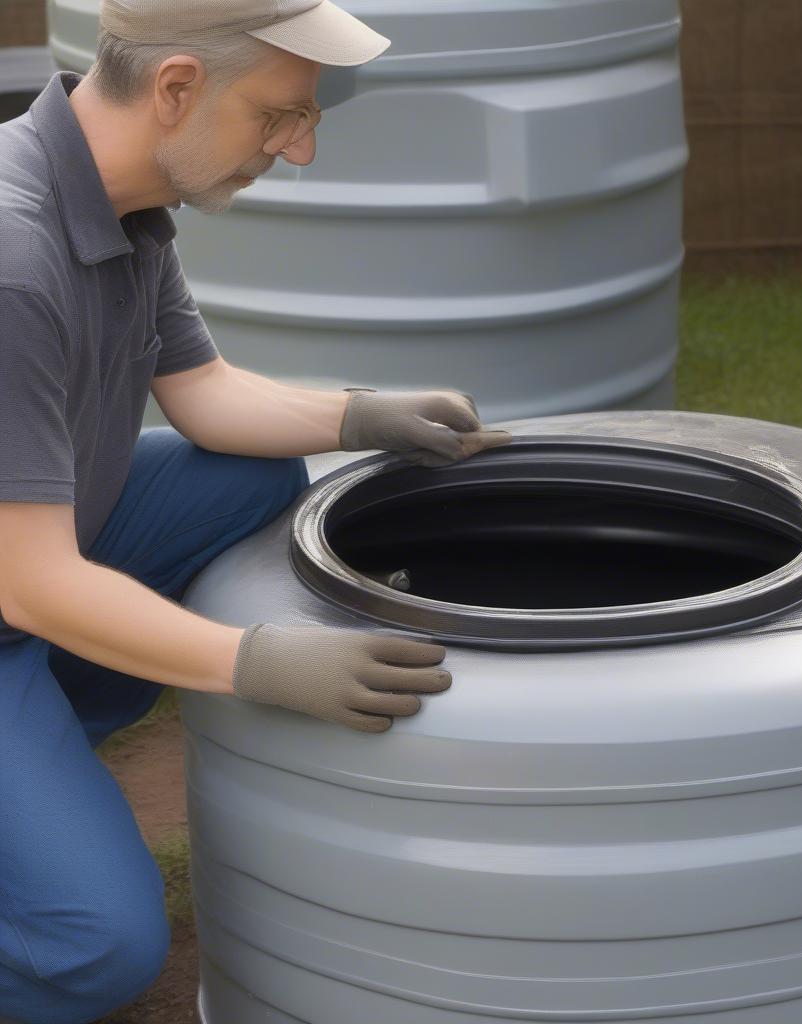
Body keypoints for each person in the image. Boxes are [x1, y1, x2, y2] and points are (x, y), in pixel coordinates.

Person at [0, 1, 512, 1020]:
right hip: (19, 582)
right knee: (99, 944)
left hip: (26, 564)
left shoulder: (123, 199)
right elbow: (31, 580)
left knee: (252, 483)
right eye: (280, 115)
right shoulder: (14, 259)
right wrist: (252, 661)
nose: (303, 148)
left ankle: (39, 754)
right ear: (178, 87)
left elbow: (204, 394)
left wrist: (359, 415)